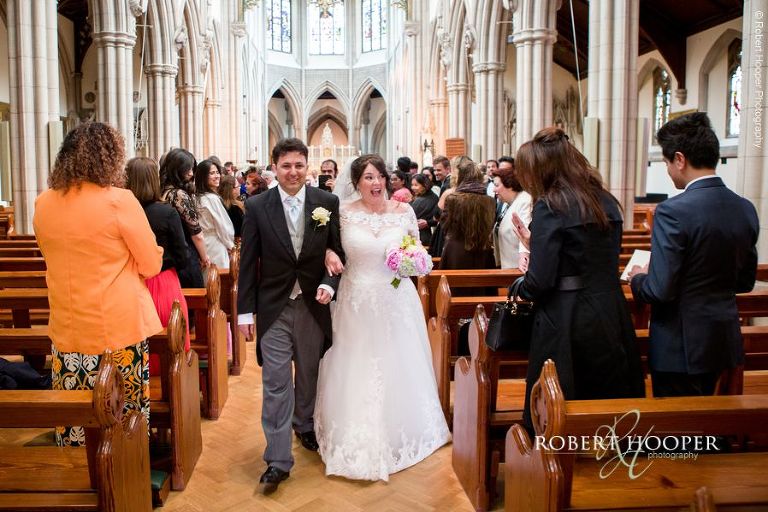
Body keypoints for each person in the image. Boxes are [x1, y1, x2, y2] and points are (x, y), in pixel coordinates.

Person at [315, 154, 450, 482]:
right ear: (357, 183)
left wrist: (412, 262)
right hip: (355, 301)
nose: (375, 183)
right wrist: (329, 253)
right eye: (368, 178)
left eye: (380, 177)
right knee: (356, 362)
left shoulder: (404, 211)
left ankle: (402, 428)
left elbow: (416, 251)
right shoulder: (342, 213)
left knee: (397, 362)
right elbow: (327, 247)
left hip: (395, 300)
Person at [33, 122, 163, 446]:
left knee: (76, 412)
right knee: (121, 412)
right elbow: (151, 263)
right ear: (110, 158)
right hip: (116, 329)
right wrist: (130, 261)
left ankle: (78, 474)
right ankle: (124, 478)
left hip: (67, 326)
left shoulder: (43, 202)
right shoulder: (118, 200)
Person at [511, 127, 645, 430]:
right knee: (607, 394)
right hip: (609, 310)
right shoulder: (605, 200)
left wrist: (523, 289)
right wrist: (539, 245)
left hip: (566, 317)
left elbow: (542, 281)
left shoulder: (551, 205)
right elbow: (590, 256)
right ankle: (607, 453)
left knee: (561, 403)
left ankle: (556, 463)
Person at [237, 138, 344, 494]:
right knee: (276, 383)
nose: (293, 172)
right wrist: (244, 313)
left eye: (299, 165)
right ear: (275, 168)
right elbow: (249, 262)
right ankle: (278, 460)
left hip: (313, 304)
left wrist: (330, 281)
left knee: (309, 375)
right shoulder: (256, 206)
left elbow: (336, 251)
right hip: (274, 306)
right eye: (286, 166)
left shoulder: (326, 203)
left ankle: (304, 424)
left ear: (307, 167)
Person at [627, 113, 759, 397]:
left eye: (665, 163)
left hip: (680, 346)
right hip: (722, 340)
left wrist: (638, 279)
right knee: (710, 426)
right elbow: (745, 282)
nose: (668, 171)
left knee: (680, 433)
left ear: (679, 159)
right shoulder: (744, 208)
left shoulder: (673, 211)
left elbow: (660, 290)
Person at [126, 156, 191, 376]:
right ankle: (176, 398)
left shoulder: (122, 212)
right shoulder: (166, 212)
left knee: (138, 350)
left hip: (130, 284)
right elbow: (182, 256)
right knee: (173, 347)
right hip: (164, 285)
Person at [160, 148, 209, 288]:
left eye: (192, 169)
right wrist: (205, 257)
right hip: (186, 254)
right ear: (177, 169)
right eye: (187, 169)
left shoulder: (162, 191)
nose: (191, 173)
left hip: (169, 255)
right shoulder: (178, 195)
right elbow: (196, 232)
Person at [439, 156, 496, 270]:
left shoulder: (453, 199)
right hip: (483, 251)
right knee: (482, 286)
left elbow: (445, 226)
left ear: (460, 177)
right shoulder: (489, 200)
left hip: (456, 251)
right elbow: (490, 226)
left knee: (456, 286)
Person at [194, 159, 235, 270]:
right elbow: (223, 226)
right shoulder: (211, 198)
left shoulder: (198, 197)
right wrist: (231, 246)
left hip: (204, 245)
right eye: (212, 173)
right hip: (215, 243)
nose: (217, 176)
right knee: (219, 280)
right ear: (203, 176)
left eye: (217, 172)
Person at [493, 157, 532, 269]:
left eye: (496, 185)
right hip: (507, 266)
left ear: (509, 185)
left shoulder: (525, 201)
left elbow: (525, 233)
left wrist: (523, 257)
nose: (494, 190)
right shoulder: (508, 203)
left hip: (518, 269)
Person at [411, 173, 440, 247]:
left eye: (416, 185)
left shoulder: (421, 200)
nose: (413, 187)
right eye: (412, 185)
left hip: (422, 237)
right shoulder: (433, 196)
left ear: (424, 185)